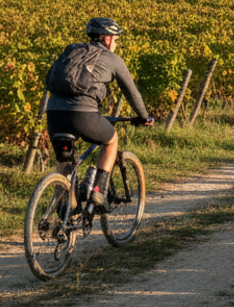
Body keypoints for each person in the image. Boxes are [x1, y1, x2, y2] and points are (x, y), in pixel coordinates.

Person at [45, 17, 154, 209]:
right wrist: (144, 117)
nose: (116, 43)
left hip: (54, 113)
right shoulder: (113, 60)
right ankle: (98, 192)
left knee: (65, 162)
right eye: (116, 39)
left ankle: (62, 212)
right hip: (83, 116)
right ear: (107, 38)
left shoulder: (72, 50)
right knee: (111, 140)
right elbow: (132, 92)